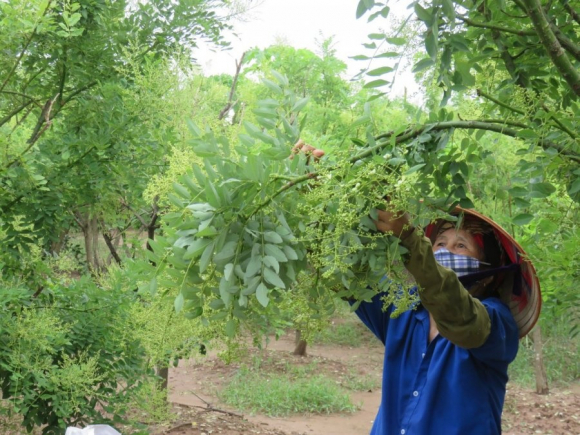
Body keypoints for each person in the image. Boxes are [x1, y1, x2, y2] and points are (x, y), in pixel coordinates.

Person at [292, 141, 541, 434]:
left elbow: (456, 311)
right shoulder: (403, 309)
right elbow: (346, 274)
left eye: (461, 246)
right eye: (439, 244)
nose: (445, 252)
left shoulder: (495, 323)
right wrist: (317, 199)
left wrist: (409, 237)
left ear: (487, 273)